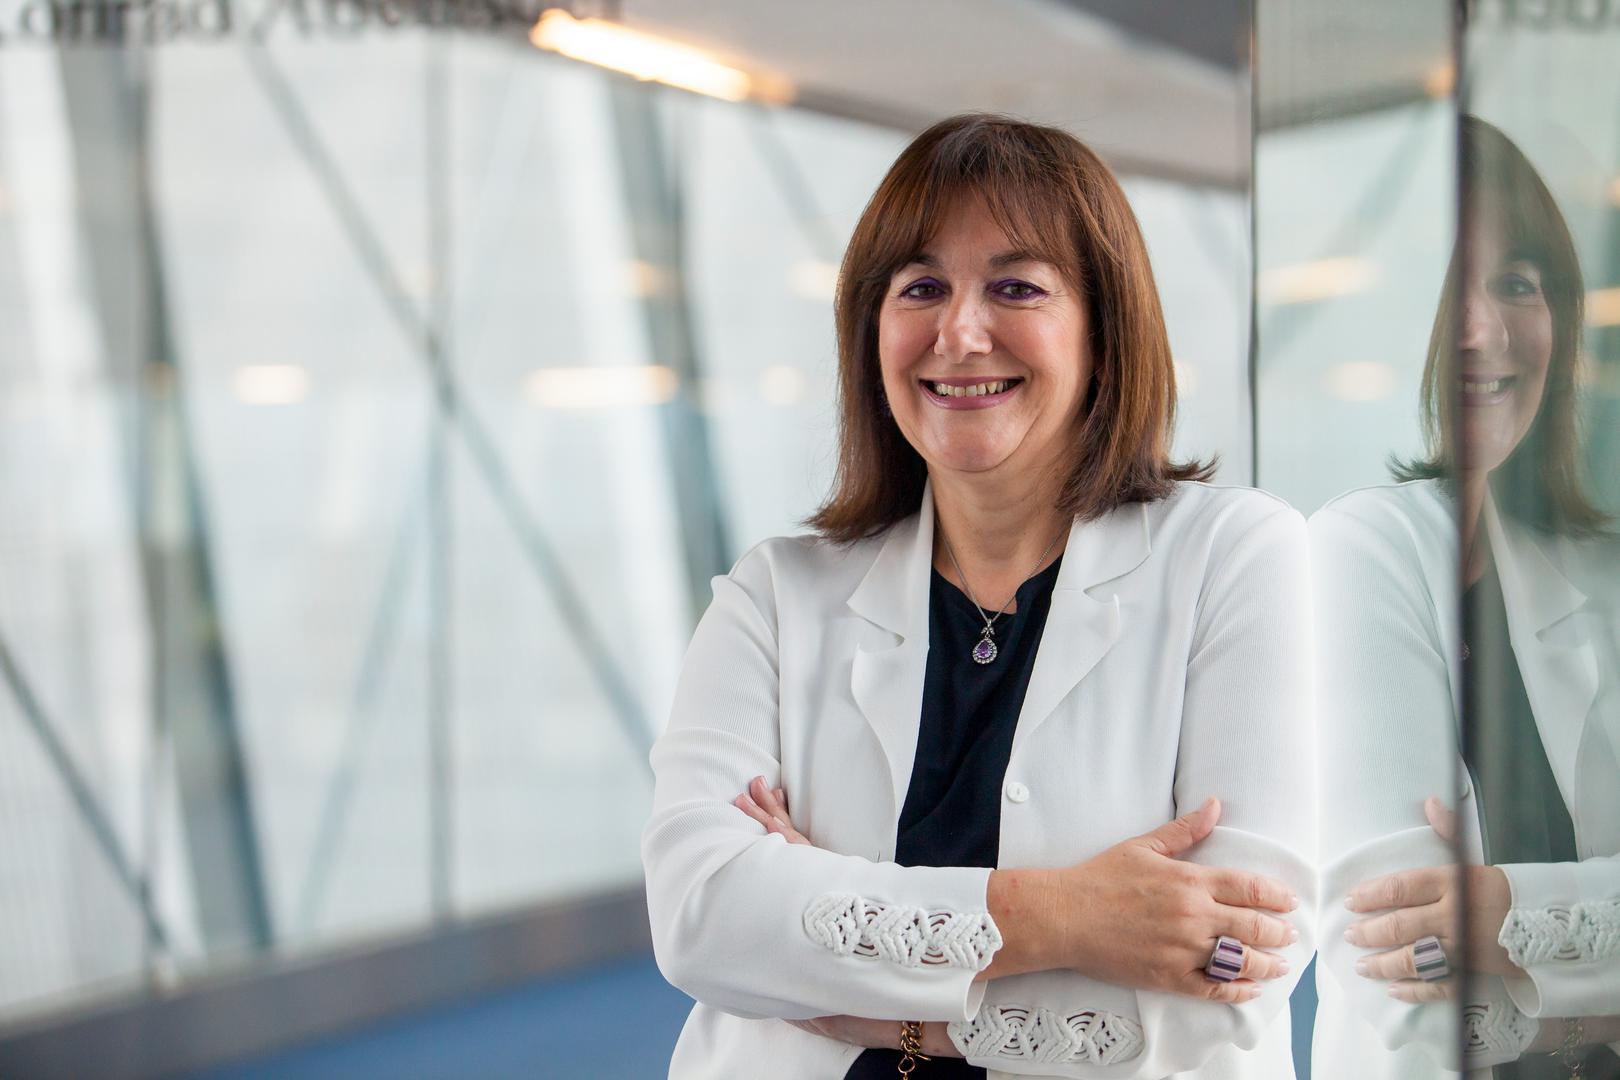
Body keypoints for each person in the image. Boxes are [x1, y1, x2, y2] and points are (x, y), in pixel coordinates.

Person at [642, 113, 1316, 1078]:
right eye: (921, 288)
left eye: (1016, 287)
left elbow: (1236, 957)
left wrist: (858, 994)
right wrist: (1072, 916)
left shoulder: (1234, 555)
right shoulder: (776, 595)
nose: (959, 333)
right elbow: (702, 916)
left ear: (1105, 330)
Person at [1311, 116, 1620, 1078]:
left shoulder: (1597, 572)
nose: (1485, 330)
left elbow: (1458, 955)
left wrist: (1503, 913)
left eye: (1519, 284)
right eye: (1451, 289)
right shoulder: (1358, 550)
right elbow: (1398, 973)